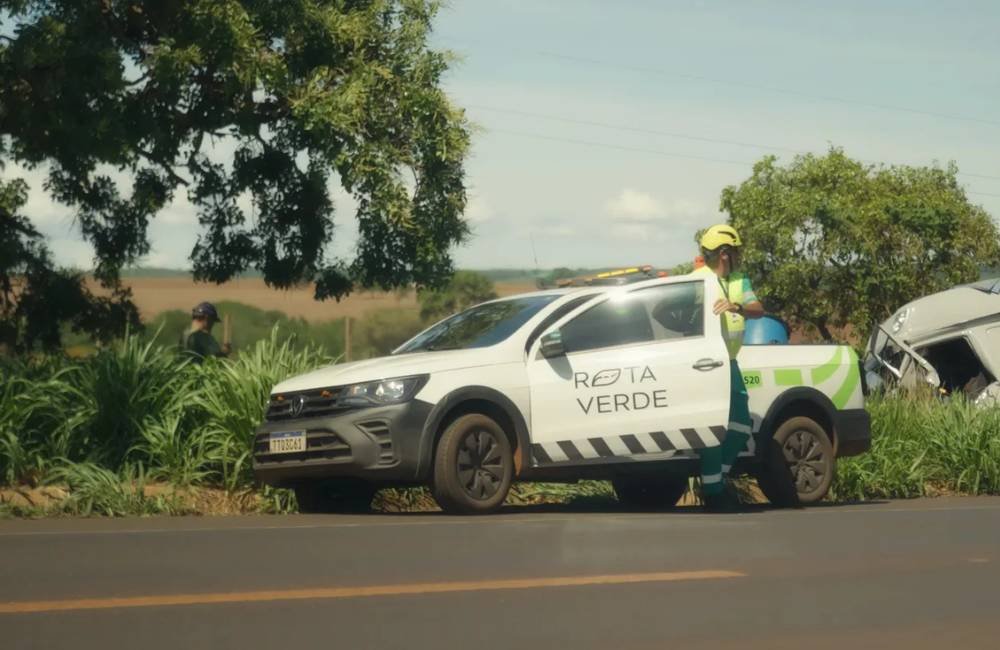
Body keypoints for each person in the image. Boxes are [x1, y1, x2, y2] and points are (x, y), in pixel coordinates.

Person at [693, 224, 764, 510]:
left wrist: (736, 306)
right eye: (734, 251)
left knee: (739, 429)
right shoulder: (697, 281)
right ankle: (713, 491)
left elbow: (758, 310)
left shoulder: (739, 281)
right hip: (706, 366)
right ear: (724, 253)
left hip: (729, 364)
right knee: (713, 428)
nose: (737, 256)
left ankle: (715, 482)